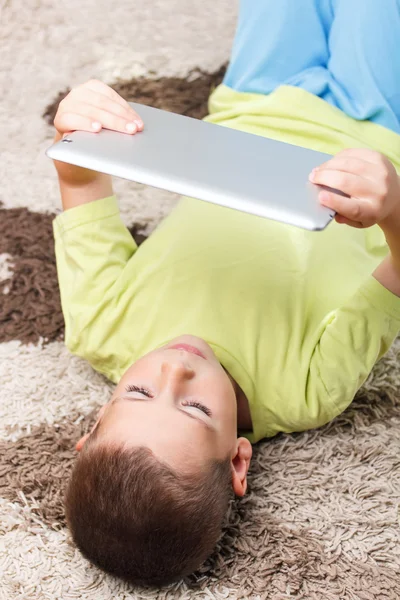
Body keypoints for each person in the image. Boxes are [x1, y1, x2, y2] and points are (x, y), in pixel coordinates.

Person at [51, 0, 400, 588]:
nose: (174, 372)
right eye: (195, 409)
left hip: (251, 101)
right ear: (239, 458)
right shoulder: (303, 391)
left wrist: (76, 126)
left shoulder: (99, 326)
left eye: (138, 391)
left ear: (96, 422)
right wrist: (391, 208)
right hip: (375, 133)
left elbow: (79, 176)